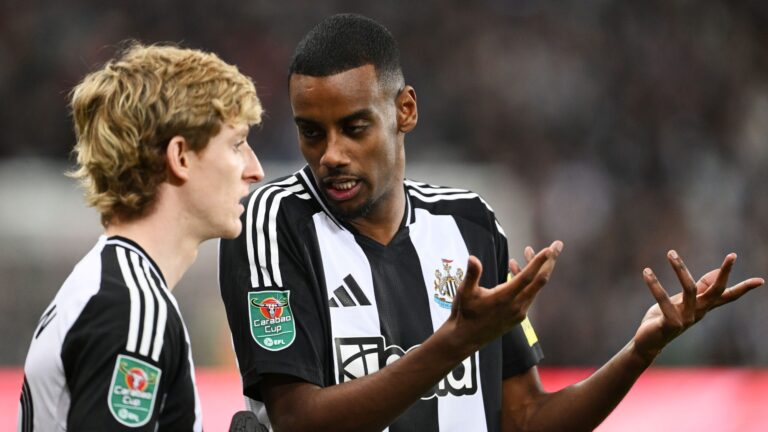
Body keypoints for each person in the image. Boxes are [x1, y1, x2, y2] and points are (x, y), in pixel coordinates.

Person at [218, 14, 764, 431]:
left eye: (354, 127)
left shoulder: (470, 224)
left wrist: (640, 351)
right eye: (312, 133)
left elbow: (524, 417)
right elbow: (298, 421)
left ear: (405, 110)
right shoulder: (274, 220)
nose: (331, 154)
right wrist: (455, 343)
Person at [18, 43, 265, 431]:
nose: (255, 170)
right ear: (180, 157)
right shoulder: (131, 309)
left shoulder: (108, 289)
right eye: (237, 144)